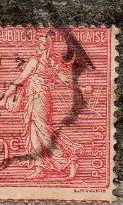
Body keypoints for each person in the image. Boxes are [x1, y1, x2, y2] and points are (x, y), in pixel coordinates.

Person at [0, 33, 86, 179]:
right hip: (34, 100)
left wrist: (5, 97)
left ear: (47, 45)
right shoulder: (51, 62)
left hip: (40, 101)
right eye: (39, 42)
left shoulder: (37, 61)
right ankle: (40, 167)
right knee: (35, 132)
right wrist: (81, 89)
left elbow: (20, 79)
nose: (39, 45)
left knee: (44, 133)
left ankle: (70, 159)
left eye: (42, 43)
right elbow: (66, 81)